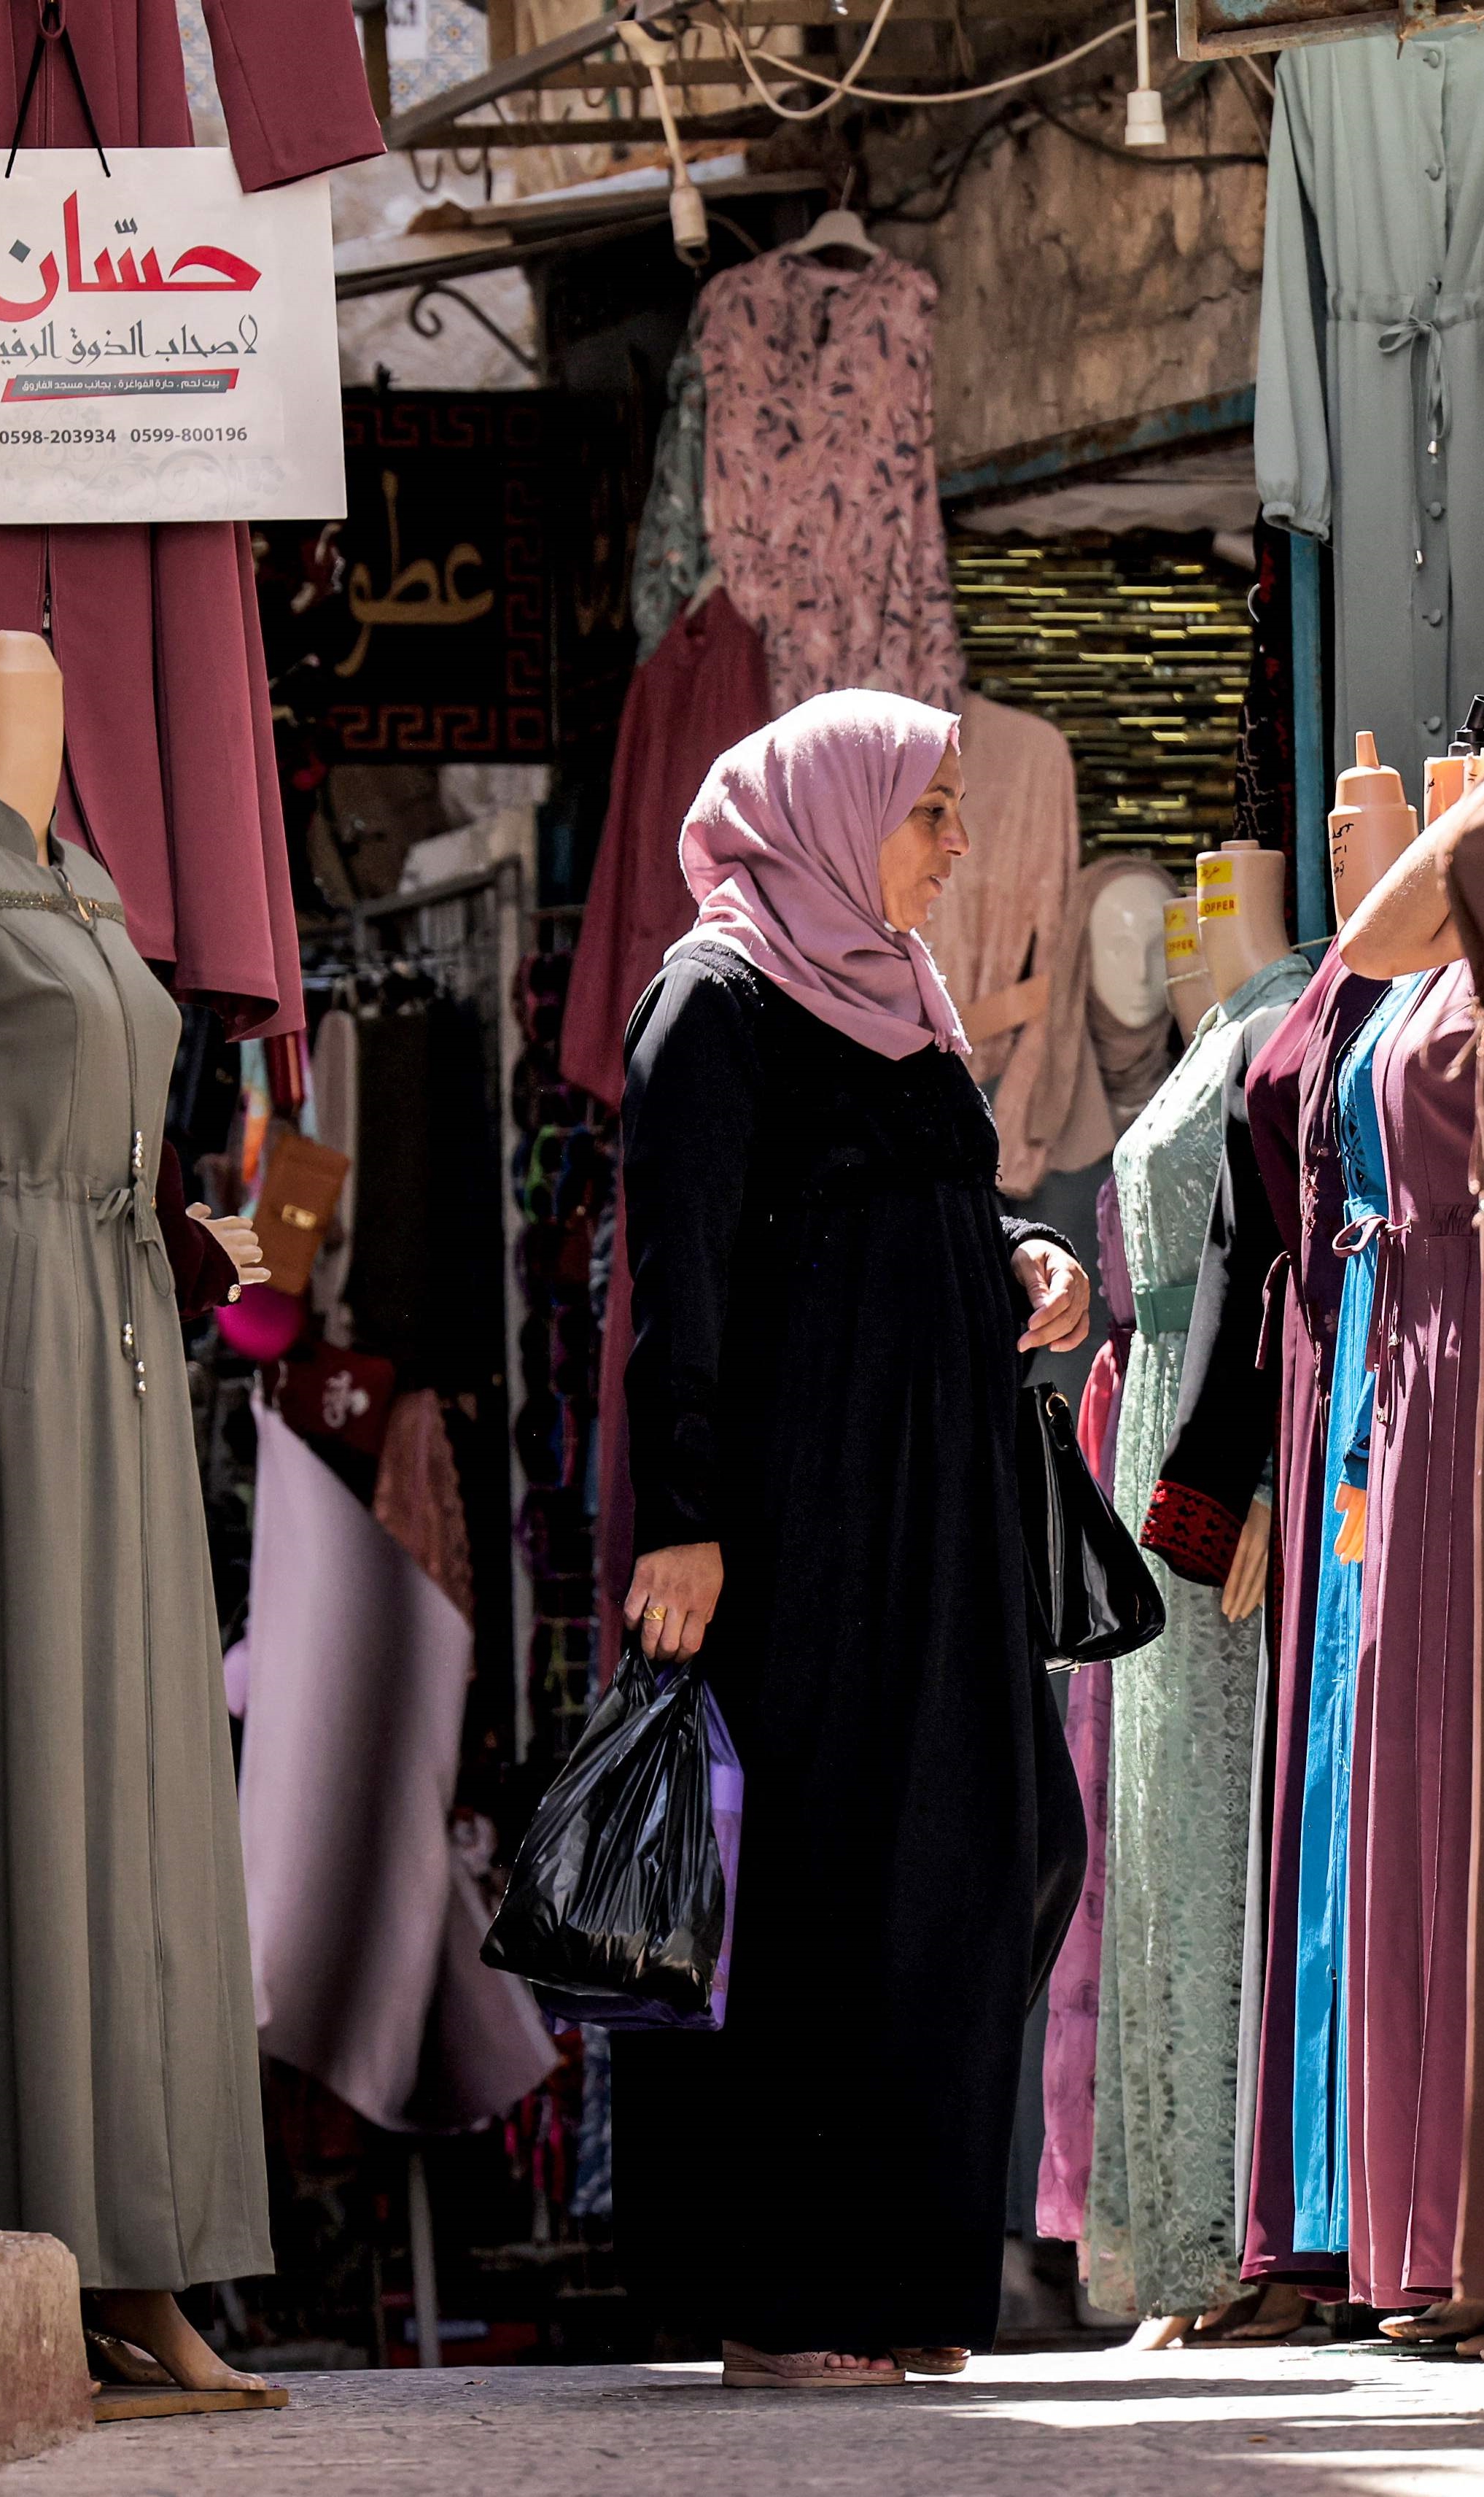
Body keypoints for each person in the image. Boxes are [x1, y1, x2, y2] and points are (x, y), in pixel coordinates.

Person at [606, 690, 1095, 2390]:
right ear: (829, 816)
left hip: (944, 1526)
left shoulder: (901, 995)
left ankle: (901, 2276)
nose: (955, 847)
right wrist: (682, 1522)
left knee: (990, 1851)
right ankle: (783, 2299)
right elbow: (679, 1279)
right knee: (814, 1896)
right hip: (800, 1531)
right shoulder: (716, 999)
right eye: (929, 812)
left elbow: (915, 1202)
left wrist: (1017, 1253)